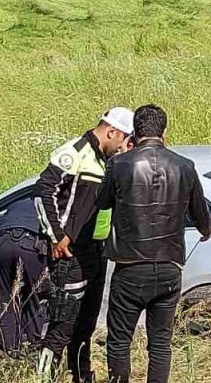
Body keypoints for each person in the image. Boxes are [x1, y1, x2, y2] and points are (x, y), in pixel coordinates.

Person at [98, 105, 211, 383]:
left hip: (130, 267)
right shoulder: (184, 166)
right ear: (165, 131)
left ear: (134, 132)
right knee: (160, 344)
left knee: (119, 341)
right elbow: (202, 216)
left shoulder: (119, 165)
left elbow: (102, 207)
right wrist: (205, 231)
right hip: (169, 267)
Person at [34, 108, 135, 382]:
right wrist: (56, 235)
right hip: (70, 255)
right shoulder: (75, 152)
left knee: (86, 326)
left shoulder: (110, 161)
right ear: (112, 131)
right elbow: (44, 190)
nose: (126, 145)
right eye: (125, 138)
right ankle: (43, 377)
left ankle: (82, 375)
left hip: (96, 253)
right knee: (62, 327)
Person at [0, 185, 48, 358]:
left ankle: (8, 351)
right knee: (34, 300)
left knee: (4, 301)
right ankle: (31, 351)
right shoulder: (52, 205)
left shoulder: (17, 203)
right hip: (31, 246)